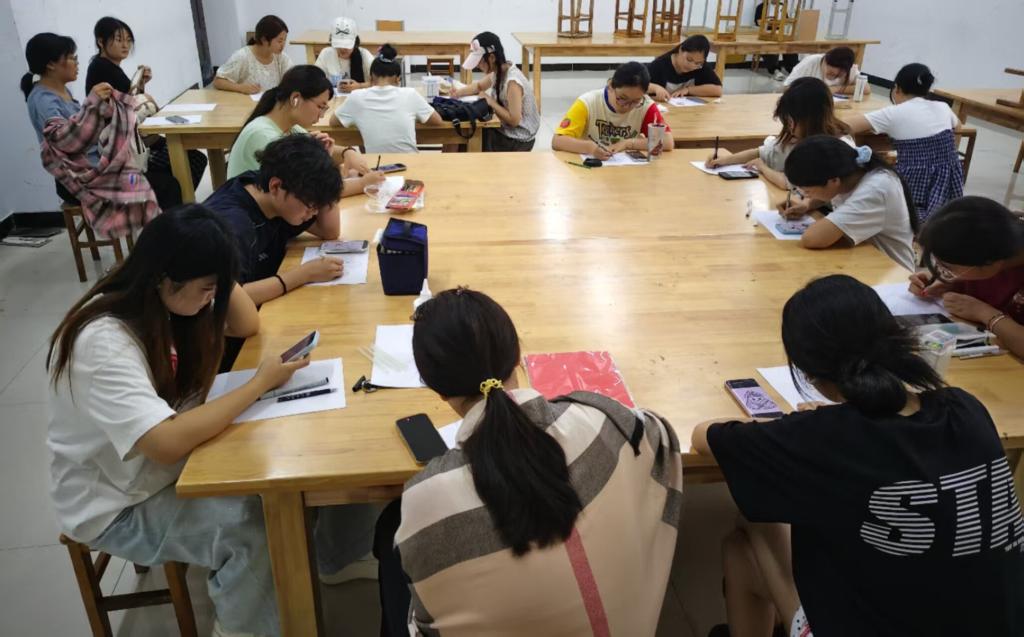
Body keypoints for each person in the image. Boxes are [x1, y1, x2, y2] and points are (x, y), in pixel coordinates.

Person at [692, 274, 1024, 637]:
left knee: (754, 519)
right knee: (741, 553)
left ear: (808, 372)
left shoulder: (822, 438)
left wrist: (793, 426)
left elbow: (704, 435)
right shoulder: (964, 408)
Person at [373, 288, 683, 636]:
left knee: (390, 528)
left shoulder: (425, 502)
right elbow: (658, 433)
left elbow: (426, 621)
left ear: (438, 390)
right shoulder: (600, 419)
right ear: (518, 357)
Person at [46, 205, 292, 637]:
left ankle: (286, 593)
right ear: (163, 278)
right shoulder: (103, 342)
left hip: (159, 469)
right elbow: (165, 443)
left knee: (279, 479)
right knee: (249, 526)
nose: (212, 299)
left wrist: (218, 264)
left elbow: (247, 324)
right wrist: (257, 385)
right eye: (206, 288)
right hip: (116, 502)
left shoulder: (167, 305)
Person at [21, 32, 183, 211]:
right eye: (72, 58)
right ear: (51, 64)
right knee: (167, 185)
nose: (77, 63)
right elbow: (65, 142)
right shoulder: (43, 100)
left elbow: (86, 125)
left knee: (180, 164)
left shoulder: (61, 92)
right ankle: (165, 225)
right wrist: (93, 105)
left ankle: (164, 220)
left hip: (99, 164)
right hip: (82, 178)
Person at [207, 134, 344, 305]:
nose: (313, 213)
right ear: (275, 186)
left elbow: (329, 230)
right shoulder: (235, 225)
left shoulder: (275, 191)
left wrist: (326, 168)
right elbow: (223, 298)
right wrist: (304, 274)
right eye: (310, 205)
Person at [84, 16, 208, 198]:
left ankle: (173, 202)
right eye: (118, 40)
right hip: (123, 147)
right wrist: (144, 97)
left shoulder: (105, 66)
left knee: (189, 157)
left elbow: (126, 102)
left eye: (128, 40)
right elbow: (125, 108)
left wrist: (140, 86)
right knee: (191, 158)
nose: (125, 45)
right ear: (101, 42)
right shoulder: (103, 68)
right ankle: (172, 203)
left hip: (131, 138)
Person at [227, 64, 382, 196]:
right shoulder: (263, 135)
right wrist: (363, 183)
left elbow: (318, 149)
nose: (322, 115)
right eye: (320, 106)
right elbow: (309, 190)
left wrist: (347, 153)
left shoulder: (290, 127)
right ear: (296, 98)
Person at [844, 63, 963, 221]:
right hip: (949, 181)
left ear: (897, 88)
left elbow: (845, 126)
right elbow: (958, 126)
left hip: (914, 183)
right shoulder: (943, 107)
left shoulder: (893, 113)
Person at [780, 135, 917, 271]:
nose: (804, 195)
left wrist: (809, 203)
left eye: (807, 191)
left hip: (892, 273)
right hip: (862, 261)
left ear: (834, 181)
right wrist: (807, 204)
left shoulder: (876, 189)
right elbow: (828, 193)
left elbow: (811, 239)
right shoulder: (847, 167)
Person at [912, 196, 1024, 357]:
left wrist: (983, 313)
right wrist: (940, 279)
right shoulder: (996, 242)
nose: (941, 270)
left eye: (947, 267)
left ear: (990, 263)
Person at [705, 77, 852, 189]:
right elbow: (761, 152)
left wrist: (763, 167)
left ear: (810, 119)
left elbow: (788, 183)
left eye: (791, 122)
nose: (789, 128)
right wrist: (725, 160)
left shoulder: (832, 149)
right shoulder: (796, 137)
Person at [331, 45, 443, 153]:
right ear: (398, 79)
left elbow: (333, 122)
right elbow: (437, 121)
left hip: (377, 164)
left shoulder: (356, 97)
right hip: (409, 162)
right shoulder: (410, 94)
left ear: (371, 78)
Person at [552, 61, 675, 158]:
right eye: (622, 99)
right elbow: (558, 141)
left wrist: (627, 143)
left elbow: (667, 141)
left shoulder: (646, 106)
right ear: (611, 85)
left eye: (635, 101)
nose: (627, 106)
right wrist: (591, 148)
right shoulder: (587, 103)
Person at [451, 31, 540, 151]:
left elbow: (514, 120)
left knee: (465, 138)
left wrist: (490, 101)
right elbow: (478, 86)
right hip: (505, 130)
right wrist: (458, 92)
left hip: (517, 139)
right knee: (460, 134)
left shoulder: (512, 82)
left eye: (479, 61)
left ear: (492, 58)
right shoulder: (498, 71)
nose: (477, 66)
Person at [214, 15, 292, 94]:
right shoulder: (242, 56)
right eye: (280, 41)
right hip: (247, 101)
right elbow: (218, 81)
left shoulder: (282, 58)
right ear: (264, 40)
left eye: (285, 40)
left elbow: (293, 81)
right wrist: (241, 88)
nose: (283, 44)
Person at [646, 34, 723, 102]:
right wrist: (655, 88)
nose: (692, 66)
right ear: (680, 50)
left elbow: (718, 90)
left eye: (697, 63)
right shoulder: (660, 64)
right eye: (689, 59)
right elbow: (639, 84)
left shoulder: (700, 66)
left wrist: (688, 90)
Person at [314, 16, 372, 93]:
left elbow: (379, 82)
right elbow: (315, 79)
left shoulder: (364, 55)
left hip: (360, 97)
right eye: (338, 45)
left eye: (346, 45)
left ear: (355, 42)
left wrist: (359, 86)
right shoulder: (326, 54)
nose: (342, 49)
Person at [784, 46, 867, 96]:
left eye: (838, 76)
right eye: (831, 73)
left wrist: (835, 89)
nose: (833, 78)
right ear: (825, 61)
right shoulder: (811, 62)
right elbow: (786, 87)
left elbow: (865, 88)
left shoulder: (849, 68)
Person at [754, 2, 798, 80]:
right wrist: (771, 22)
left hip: (780, 33)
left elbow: (786, 21)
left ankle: (793, 70)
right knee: (769, 47)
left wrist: (781, 22)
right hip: (766, 33)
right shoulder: (761, 6)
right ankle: (775, 71)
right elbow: (758, 22)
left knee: (790, 47)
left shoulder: (782, 6)